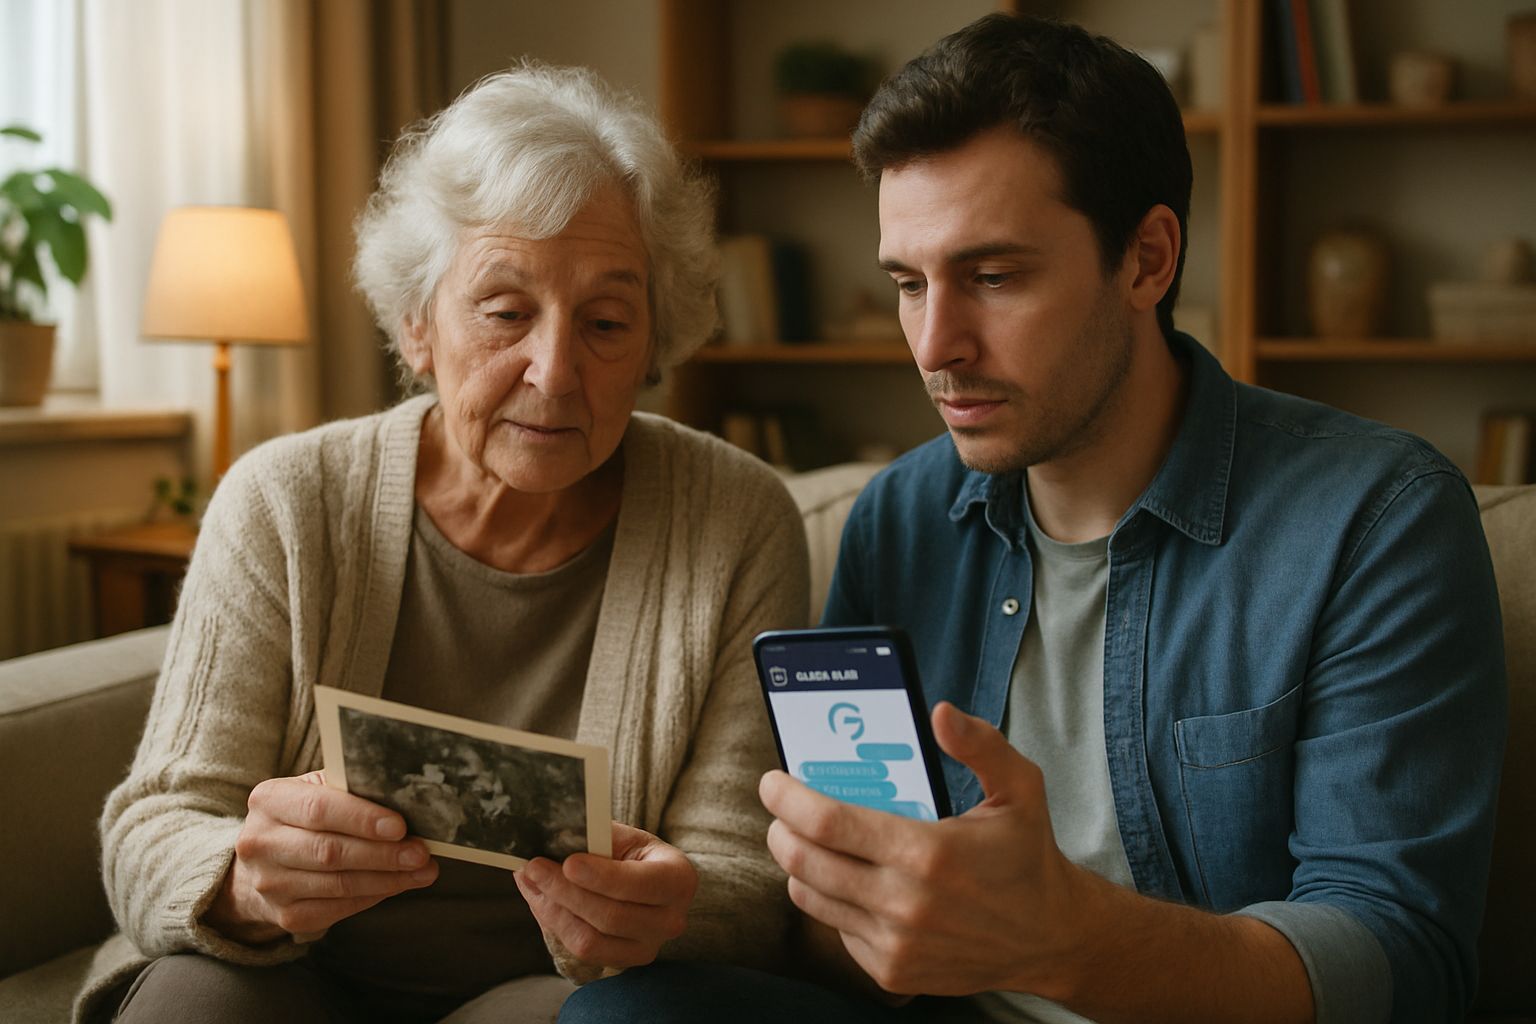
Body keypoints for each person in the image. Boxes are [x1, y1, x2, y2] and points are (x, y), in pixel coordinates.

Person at [562, 13, 1507, 1024]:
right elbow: (846, 946)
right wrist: (834, 904)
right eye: (908, 284)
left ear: (1147, 259)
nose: (935, 345)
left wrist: (1067, 939)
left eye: (993, 276)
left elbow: (1400, 958)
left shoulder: (1375, 520)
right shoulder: (899, 518)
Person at [74, 63, 807, 1024]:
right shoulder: (285, 501)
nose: (554, 371)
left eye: (607, 322)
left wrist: (670, 911)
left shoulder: (738, 522)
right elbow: (156, 822)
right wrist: (244, 887)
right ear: (417, 325)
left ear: (656, 342)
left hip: (553, 996)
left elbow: (743, 877)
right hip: (288, 970)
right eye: (505, 312)